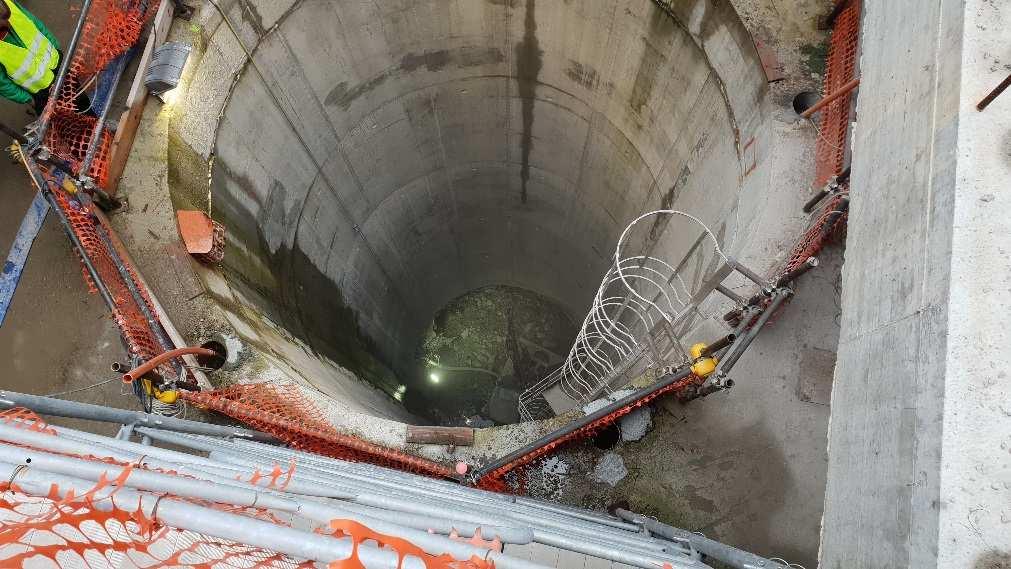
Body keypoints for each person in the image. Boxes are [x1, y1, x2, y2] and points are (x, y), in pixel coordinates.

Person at [0, 0, 59, 116]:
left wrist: (55, 48)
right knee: (65, 123)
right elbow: (3, 85)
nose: (7, 22)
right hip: (40, 92)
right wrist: (28, 99)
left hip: (57, 64)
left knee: (82, 102)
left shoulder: (9, 3)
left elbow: (35, 24)